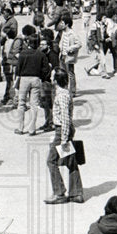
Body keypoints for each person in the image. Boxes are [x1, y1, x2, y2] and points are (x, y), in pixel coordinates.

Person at [44, 69, 83, 204]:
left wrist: (64, 139)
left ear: (56, 80)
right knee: (70, 161)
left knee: (51, 161)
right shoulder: (65, 93)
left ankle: (59, 192)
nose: (50, 77)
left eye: (52, 75)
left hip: (62, 132)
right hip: (65, 131)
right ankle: (76, 193)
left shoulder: (61, 95)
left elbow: (65, 118)